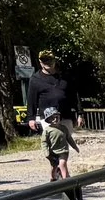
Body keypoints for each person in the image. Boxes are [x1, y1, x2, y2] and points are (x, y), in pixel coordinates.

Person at [28, 52, 76, 180]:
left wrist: (79, 113)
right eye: (44, 61)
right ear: (40, 62)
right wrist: (31, 118)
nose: (47, 63)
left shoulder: (64, 77)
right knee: (53, 143)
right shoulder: (35, 79)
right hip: (48, 118)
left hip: (65, 115)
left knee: (64, 142)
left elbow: (73, 96)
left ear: (54, 60)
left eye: (49, 60)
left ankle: (61, 167)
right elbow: (31, 100)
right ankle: (58, 167)